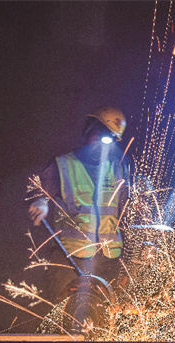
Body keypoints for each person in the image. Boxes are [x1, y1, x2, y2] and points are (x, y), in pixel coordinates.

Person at [27, 106, 130, 306]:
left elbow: (128, 206)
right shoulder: (63, 164)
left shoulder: (117, 167)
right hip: (70, 259)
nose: (100, 144)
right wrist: (41, 201)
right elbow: (41, 190)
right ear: (88, 130)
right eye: (98, 136)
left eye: (108, 139)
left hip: (109, 259)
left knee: (106, 315)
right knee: (68, 313)